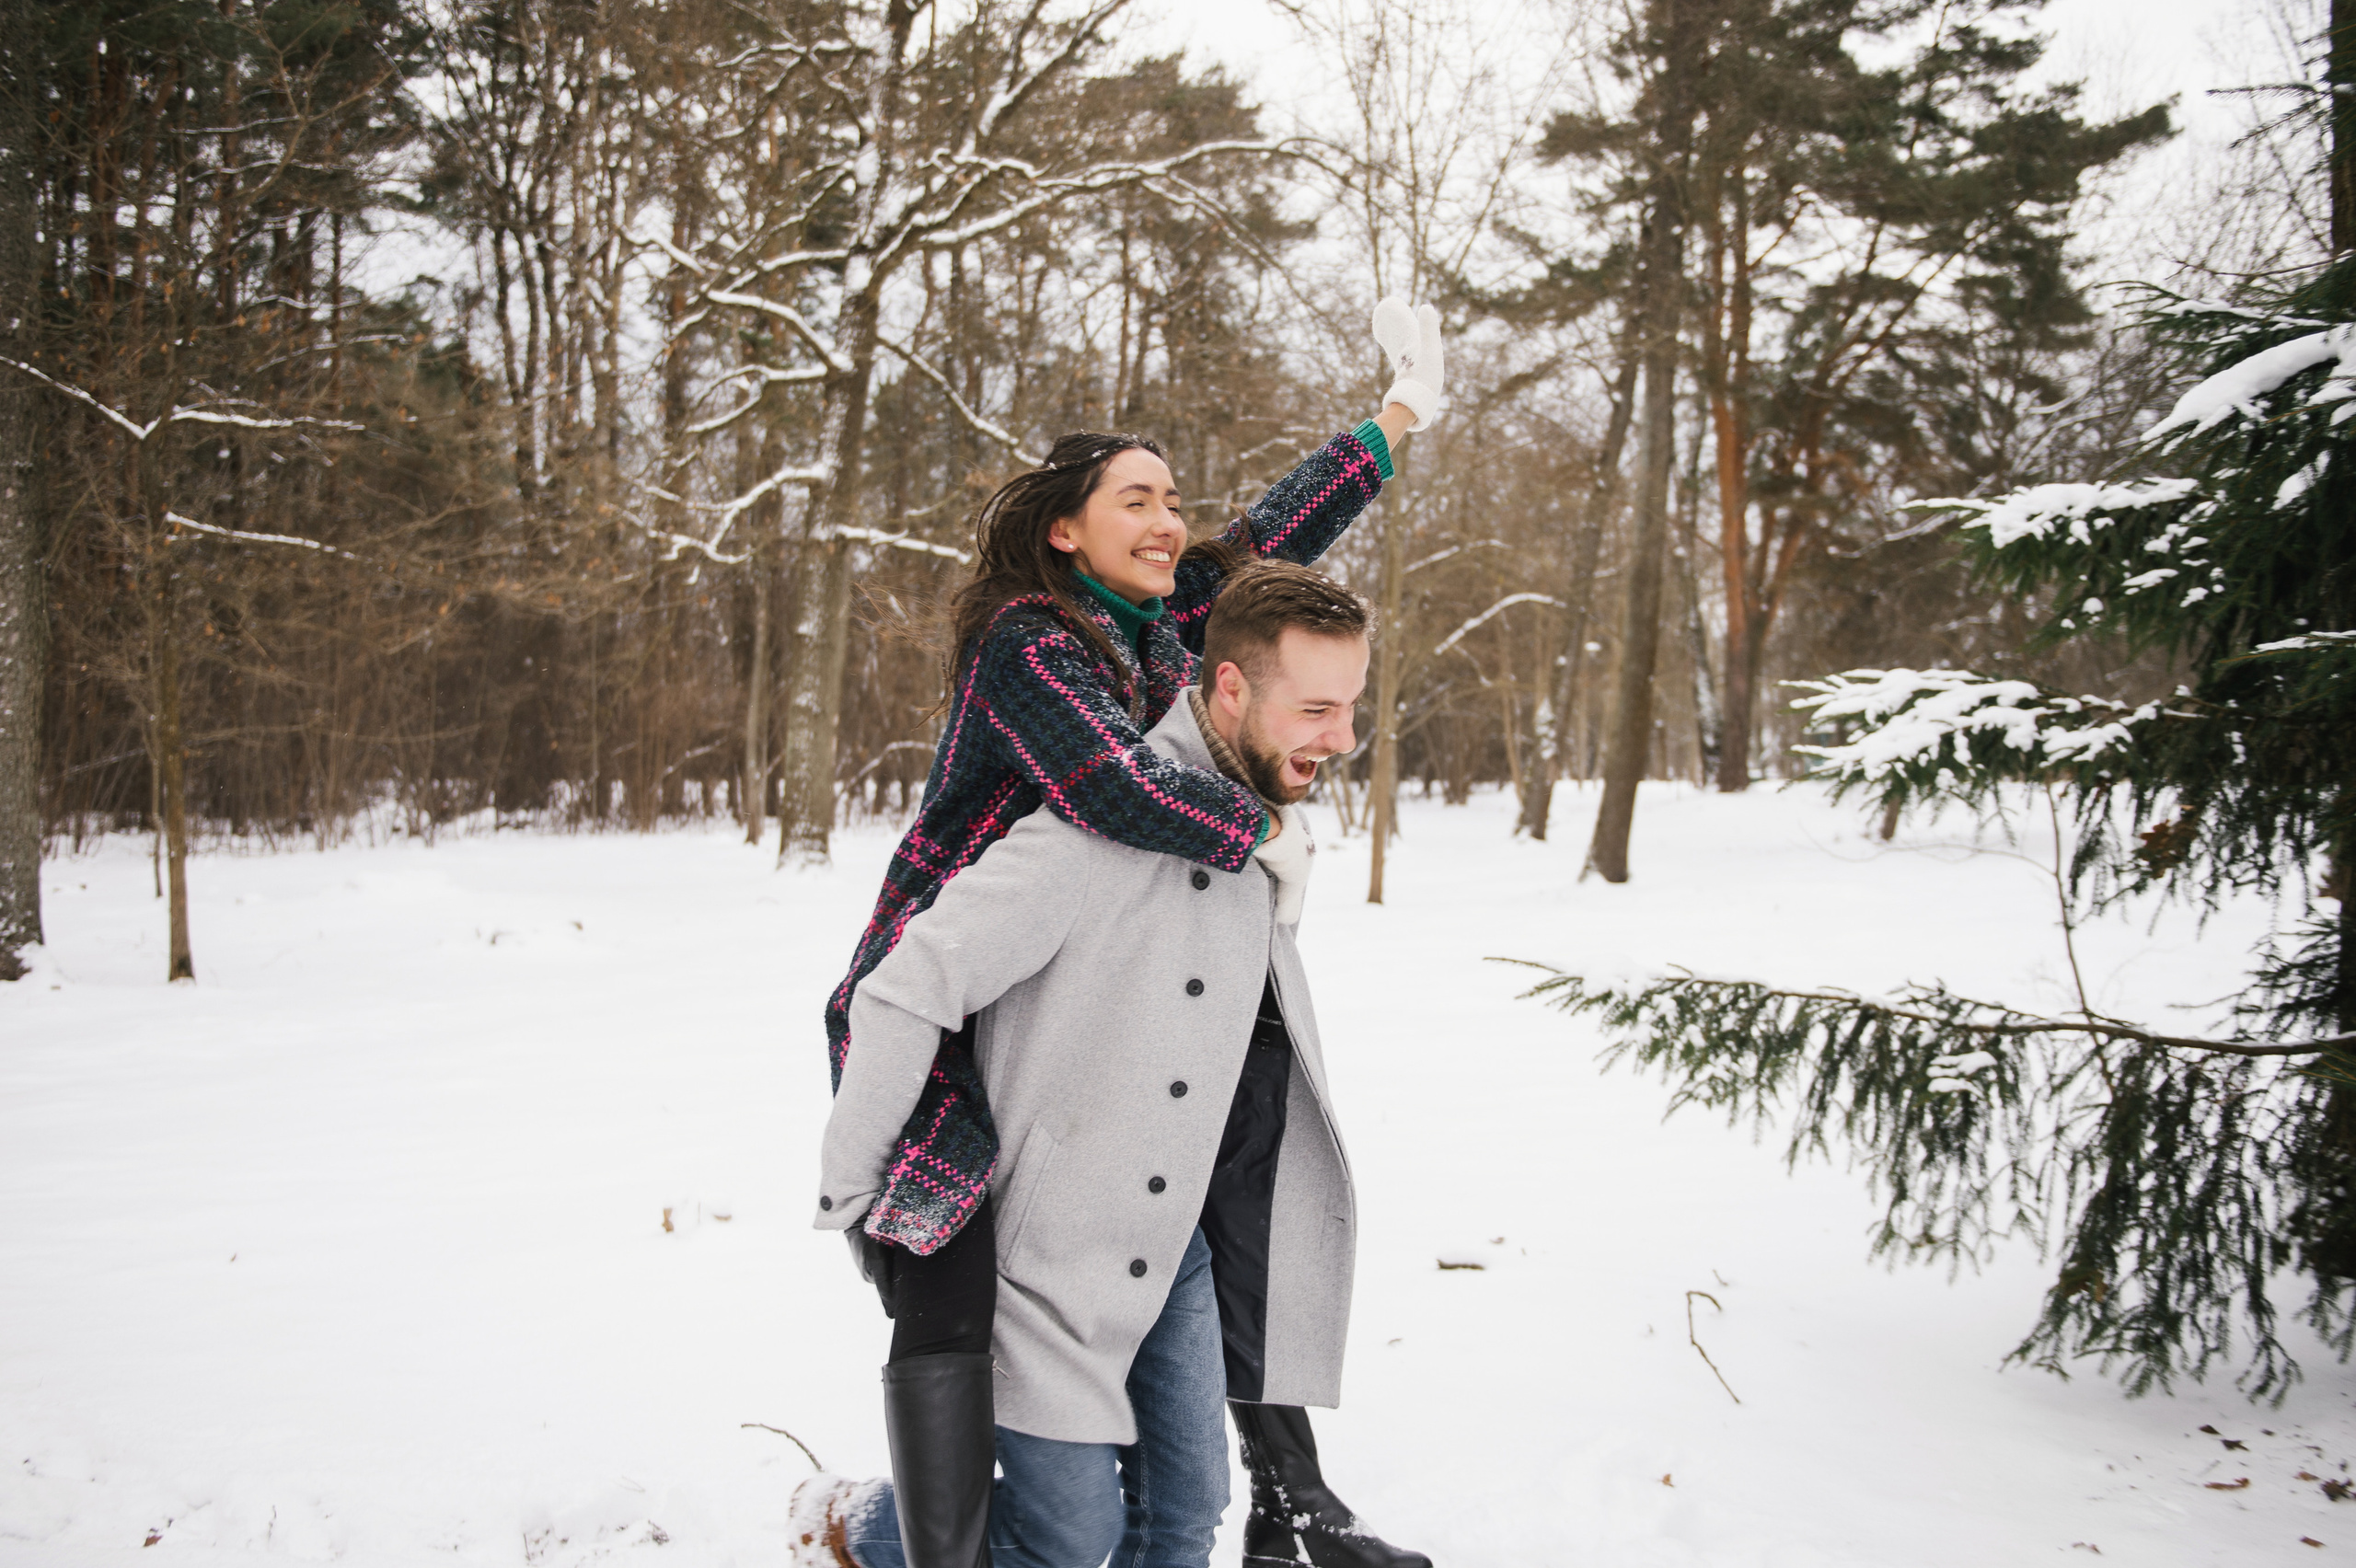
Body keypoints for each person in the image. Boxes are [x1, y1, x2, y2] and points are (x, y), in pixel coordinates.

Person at [807, 300, 1448, 1568]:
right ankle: (873, 1530)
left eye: (1172, 500)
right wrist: (1257, 830)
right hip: (957, 1001)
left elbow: (1277, 536)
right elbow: (1110, 789)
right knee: (953, 1295)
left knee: (1163, 1411)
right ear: (1065, 529)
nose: (1169, 524)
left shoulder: (1169, 616)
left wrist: (1395, 418)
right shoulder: (1027, 641)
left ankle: (1209, 1488)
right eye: (1137, 501)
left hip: (1081, 984)